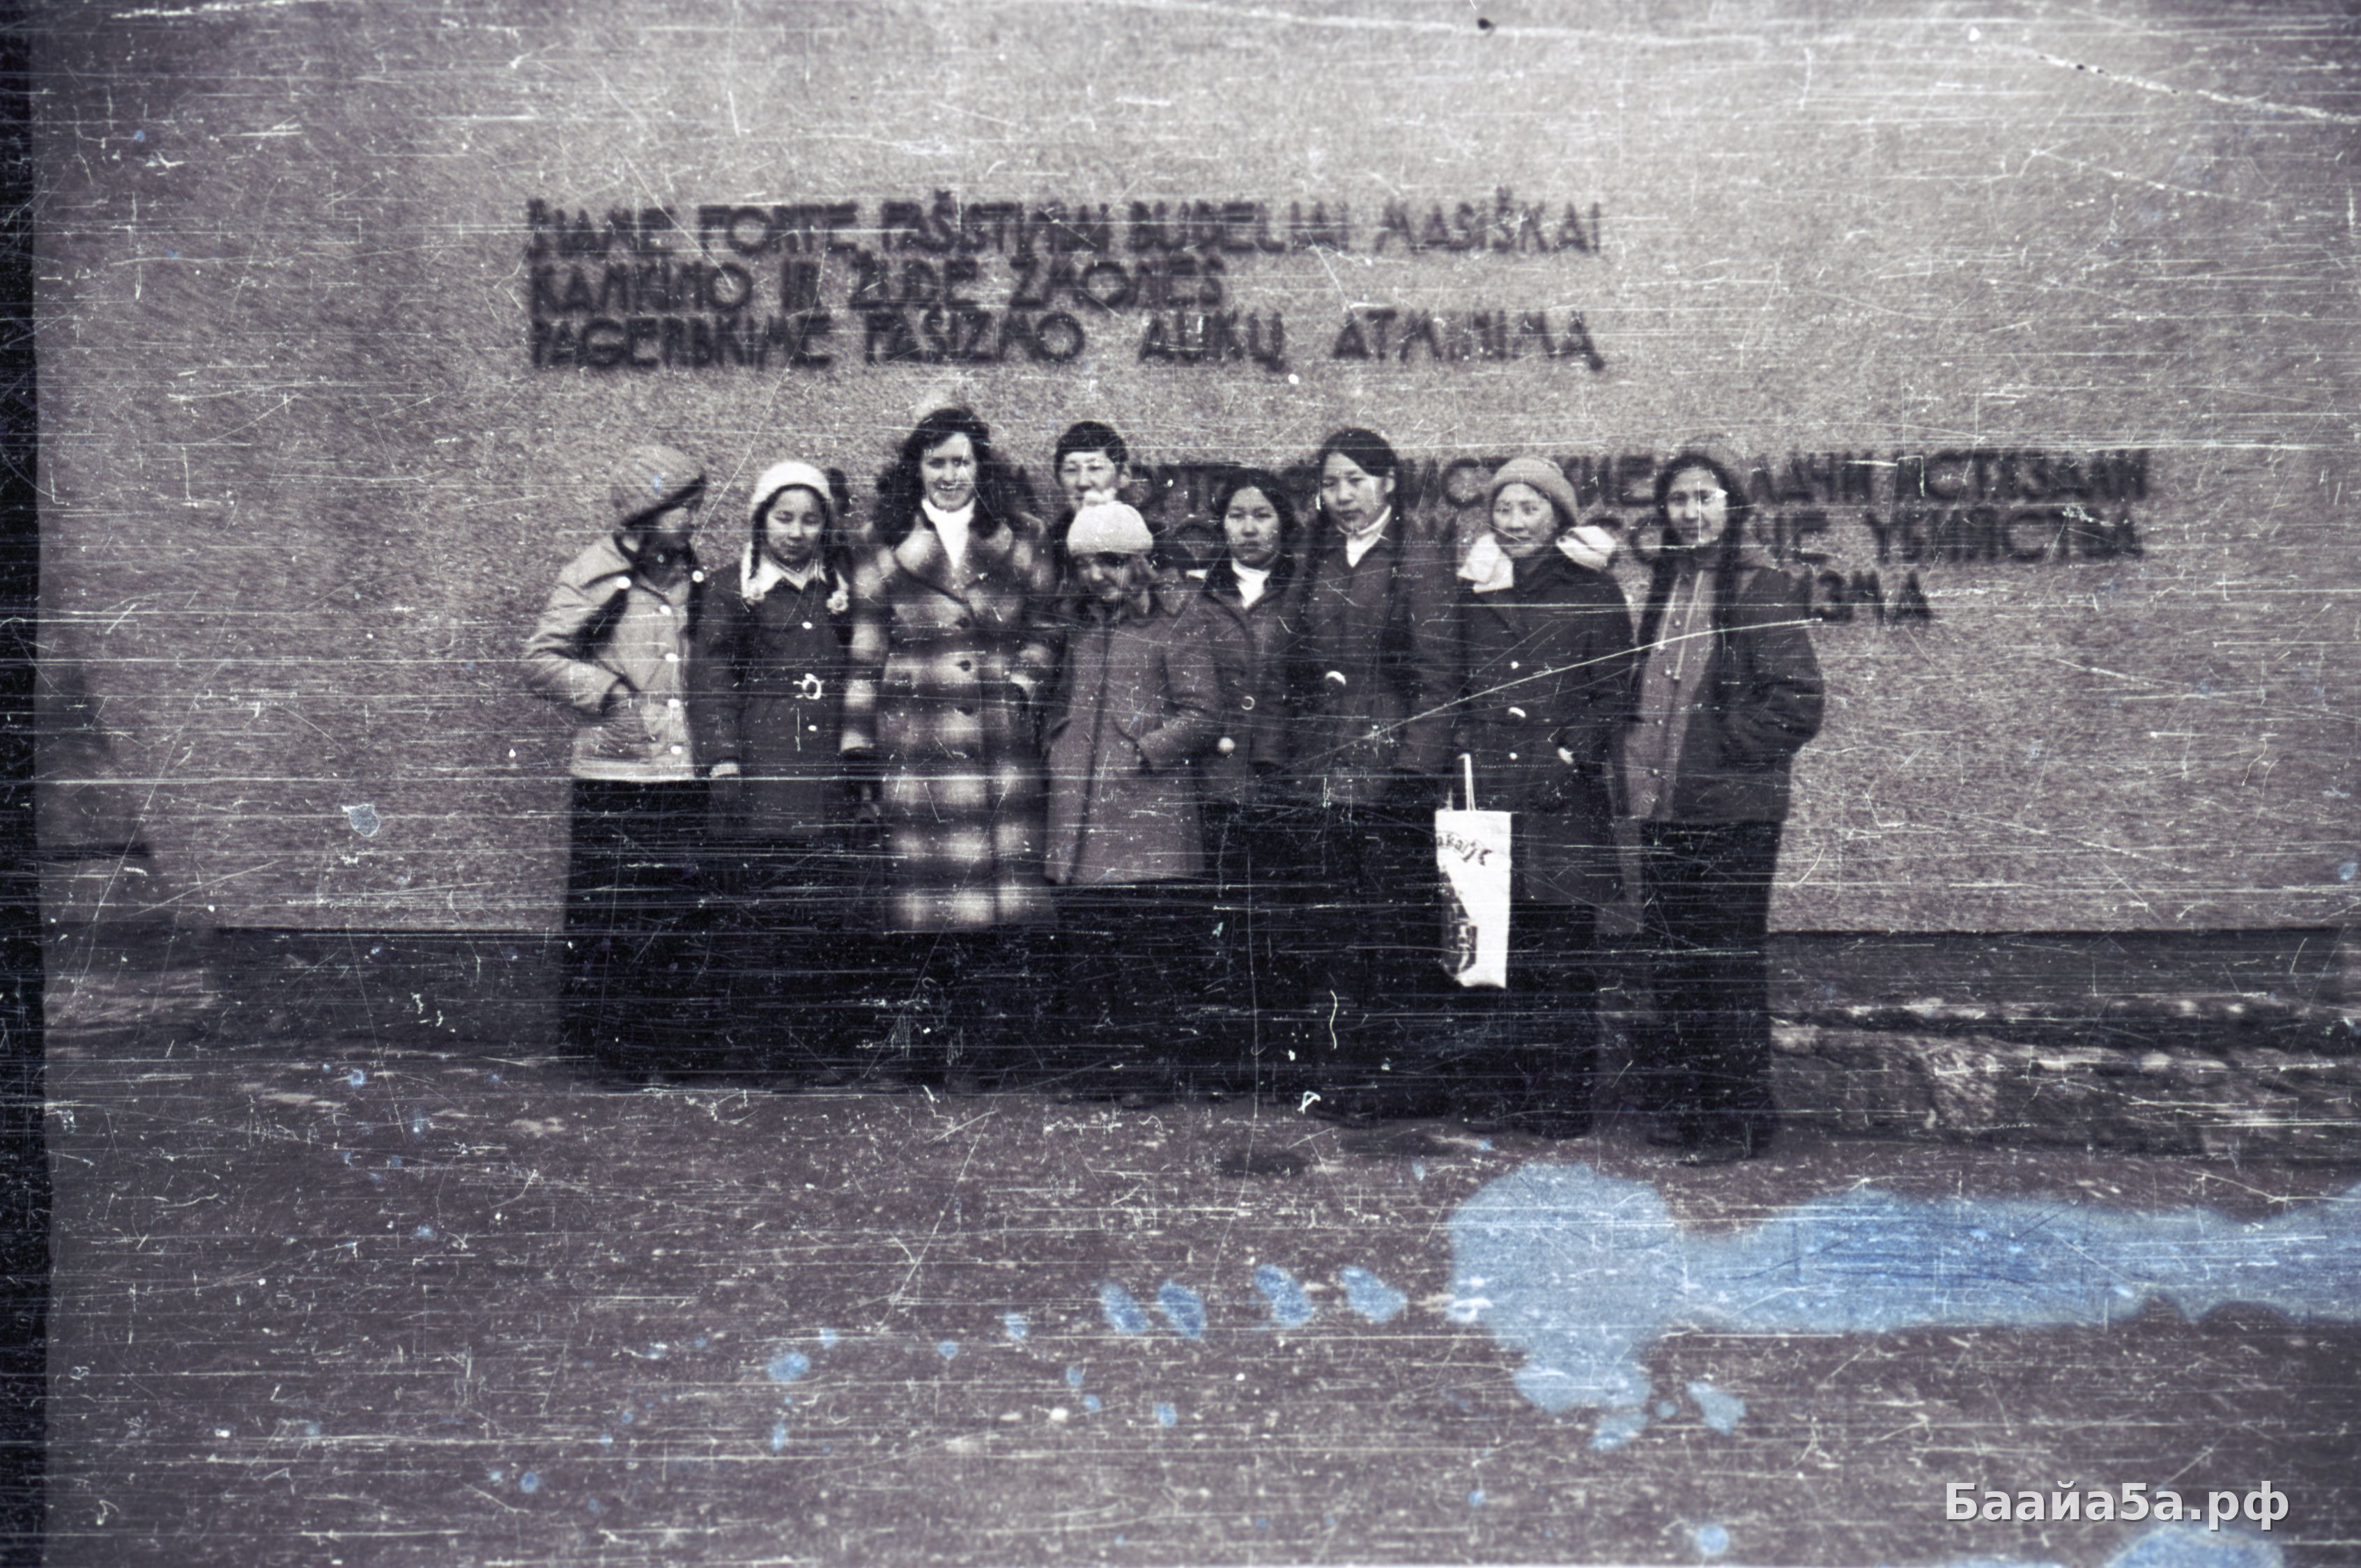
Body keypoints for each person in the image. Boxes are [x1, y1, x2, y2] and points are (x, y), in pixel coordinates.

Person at [840, 408, 1063, 1089]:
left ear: (979, 467)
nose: (948, 475)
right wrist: (860, 747)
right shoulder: (880, 542)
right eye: (935, 462)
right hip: (920, 745)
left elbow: (1048, 626)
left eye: (960, 461)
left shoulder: (1022, 538)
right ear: (916, 469)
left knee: (994, 915)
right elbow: (866, 652)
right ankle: (924, 1051)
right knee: (928, 912)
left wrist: (1022, 686)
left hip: (998, 744)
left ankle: (982, 1051)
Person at [1622, 448, 1825, 1163]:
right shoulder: (1668, 583)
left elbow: (1798, 702)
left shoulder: (1759, 586)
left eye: (1705, 498)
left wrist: (1721, 746)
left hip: (1732, 813)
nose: (1691, 512)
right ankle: (1689, 1109)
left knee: (1725, 968)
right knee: (1674, 965)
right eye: (1679, 500)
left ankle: (1738, 1120)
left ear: (1731, 507)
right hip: (1666, 810)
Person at [522, 442, 722, 1082]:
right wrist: (606, 693)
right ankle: (608, 1052)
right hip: (615, 775)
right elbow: (540, 659)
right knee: (613, 916)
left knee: (676, 914)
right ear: (646, 512)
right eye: (683, 507)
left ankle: (671, 1048)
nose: (694, 519)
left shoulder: (695, 575)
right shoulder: (595, 572)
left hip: (680, 773)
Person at [1447, 459, 1637, 1136]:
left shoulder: (1592, 590)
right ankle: (1497, 1092)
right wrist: (1463, 748)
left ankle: (1562, 1099)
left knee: (1561, 950)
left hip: (1560, 796)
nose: (1514, 522)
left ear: (1557, 517)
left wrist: (1570, 754)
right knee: (1487, 948)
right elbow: (1448, 679)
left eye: (1530, 509)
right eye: (1503, 508)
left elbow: (1614, 690)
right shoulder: (1473, 586)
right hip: (1486, 787)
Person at [1285, 428, 1462, 1120]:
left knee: (1394, 931)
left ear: (1388, 482)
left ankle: (1400, 1081)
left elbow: (1439, 677)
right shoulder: (1317, 557)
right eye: (1331, 483)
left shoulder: (1417, 558)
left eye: (1356, 480)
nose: (1342, 495)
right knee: (1335, 931)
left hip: (1391, 779)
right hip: (1325, 776)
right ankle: (1341, 1073)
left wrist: (1415, 770)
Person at [1042, 500, 1221, 1102]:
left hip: (1146, 808)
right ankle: (1095, 1068)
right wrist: (1056, 747)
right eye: (1084, 564)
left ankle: (1147, 1072)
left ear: (1141, 561)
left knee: (1143, 950)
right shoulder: (1079, 623)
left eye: (1111, 561)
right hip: (1080, 808)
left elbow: (1203, 714)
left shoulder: (1176, 620)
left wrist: (1144, 752)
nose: (1097, 575)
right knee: (1088, 946)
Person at [690, 458, 862, 1084]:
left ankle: (814, 1045)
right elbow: (711, 677)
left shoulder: (838, 590)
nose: (796, 532)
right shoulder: (734, 589)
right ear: (761, 521)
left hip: (822, 776)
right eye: (783, 518)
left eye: (810, 520)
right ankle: (764, 1050)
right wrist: (723, 758)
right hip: (764, 775)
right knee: (764, 914)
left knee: (819, 914)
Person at [1172, 466, 1308, 1097]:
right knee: (1220, 920)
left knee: (1281, 923)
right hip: (1216, 782)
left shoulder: (1305, 589)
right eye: (1236, 516)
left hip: (1283, 782)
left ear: (1283, 523)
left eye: (1261, 516)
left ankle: (1281, 1062)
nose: (1248, 529)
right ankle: (1224, 1061)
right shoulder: (1197, 597)